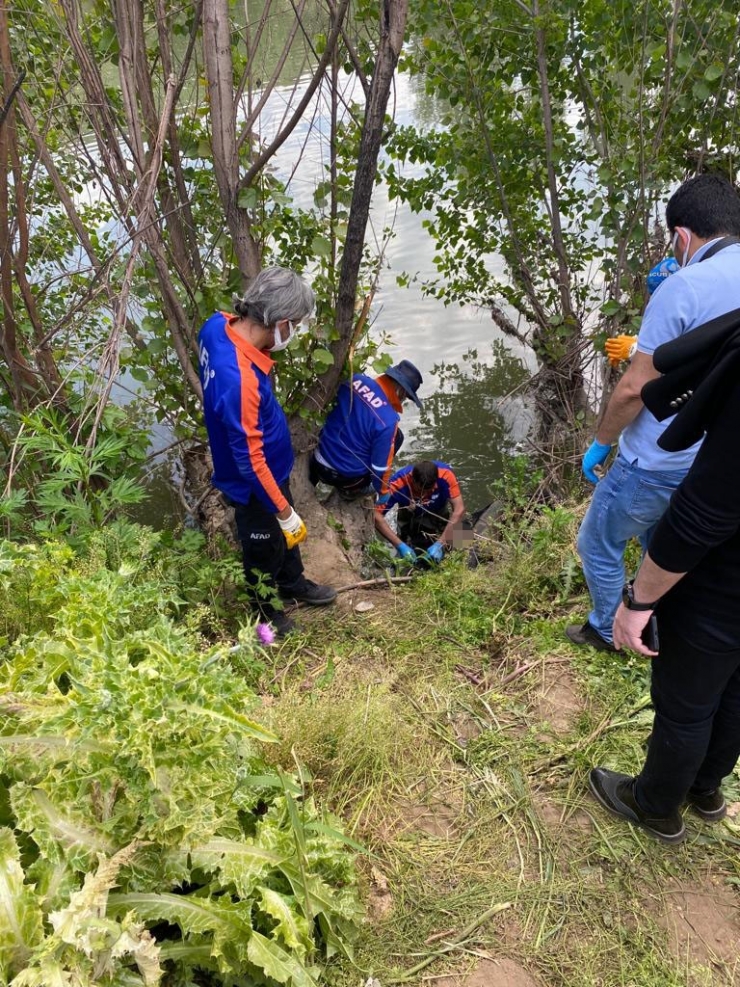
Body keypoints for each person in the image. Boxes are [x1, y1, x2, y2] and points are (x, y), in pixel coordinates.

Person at [567, 173, 740, 652]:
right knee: (660, 542)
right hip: (711, 463)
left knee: (597, 543)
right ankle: (660, 617)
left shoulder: (684, 286)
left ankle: (607, 629)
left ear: (682, 236)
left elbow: (634, 389)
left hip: (653, 462)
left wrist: (601, 443)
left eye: (674, 242)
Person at [589, 314, 740, 844]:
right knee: (736, 686)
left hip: (726, 574)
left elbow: (705, 511)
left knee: (688, 699)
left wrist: (639, 599)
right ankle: (705, 789)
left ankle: (654, 806)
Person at [198, 267, 337, 637]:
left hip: (271, 473)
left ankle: (293, 581)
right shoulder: (238, 378)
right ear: (279, 322)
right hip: (252, 484)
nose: (293, 333)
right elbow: (249, 459)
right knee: (263, 547)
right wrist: (284, 510)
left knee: (285, 540)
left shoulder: (217, 325)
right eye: (295, 325)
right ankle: (265, 611)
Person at [309, 360, 424, 499]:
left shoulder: (355, 379)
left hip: (317, 458)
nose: (404, 400)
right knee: (396, 438)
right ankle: (350, 493)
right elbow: (380, 469)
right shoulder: (388, 421)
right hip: (343, 478)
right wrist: (383, 492)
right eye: (406, 396)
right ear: (401, 391)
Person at [374, 459, 466, 563]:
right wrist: (399, 545)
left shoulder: (446, 475)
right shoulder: (397, 484)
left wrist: (441, 543)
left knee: (457, 541)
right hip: (409, 513)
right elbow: (376, 515)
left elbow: (459, 509)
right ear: (412, 480)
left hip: (437, 510)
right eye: (420, 491)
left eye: (430, 490)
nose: (424, 495)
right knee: (406, 545)